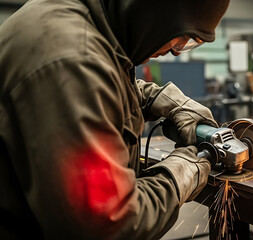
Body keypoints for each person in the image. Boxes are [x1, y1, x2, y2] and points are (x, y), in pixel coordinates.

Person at [0, 0, 229, 239]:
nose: (177, 49)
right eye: (183, 35)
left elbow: (100, 86)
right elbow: (108, 224)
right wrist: (180, 174)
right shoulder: (73, 61)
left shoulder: (82, 18)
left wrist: (159, 99)